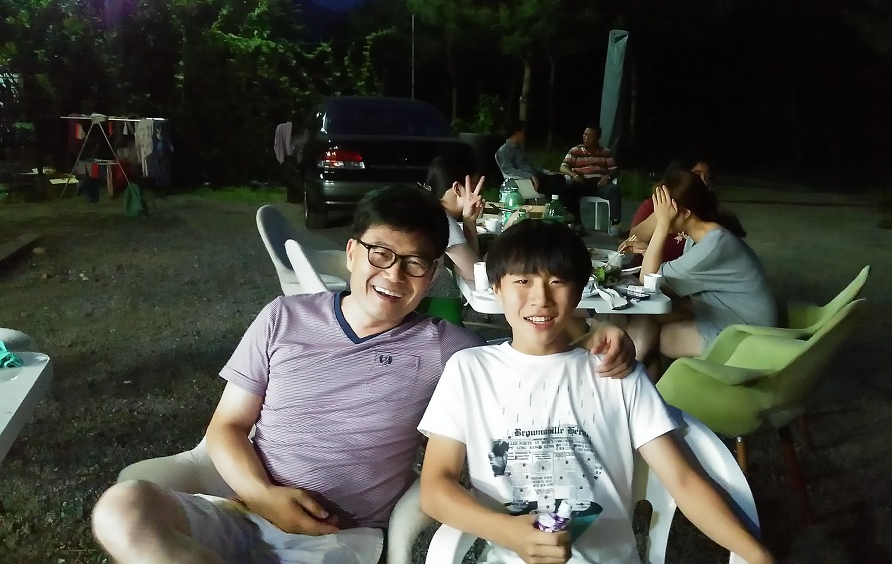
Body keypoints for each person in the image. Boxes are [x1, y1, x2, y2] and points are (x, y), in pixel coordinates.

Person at [90, 185, 638, 564]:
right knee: (123, 506)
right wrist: (263, 496)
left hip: (337, 539)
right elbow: (226, 427)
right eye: (380, 253)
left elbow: (531, 340)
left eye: (415, 262)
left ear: (432, 276)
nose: (394, 275)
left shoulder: (445, 347)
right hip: (242, 509)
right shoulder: (283, 317)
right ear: (352, 253)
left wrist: (597, 332)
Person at [417, 219, 774, 564]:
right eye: (523, 281)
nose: (540, 298)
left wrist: (757, 554)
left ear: (579, 292)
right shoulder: (469, 371)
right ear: (496, 288)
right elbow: (435, 489)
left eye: (557, 282)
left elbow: (683, 480)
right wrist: (507, 532)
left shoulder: (617, 373)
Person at [624, 170, 775, 380]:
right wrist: (650, 245)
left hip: (746, 334)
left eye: (664, 208)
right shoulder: (701, 237)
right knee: (649, 314)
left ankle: (623, 371)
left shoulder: (713, 246)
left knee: (660, 335)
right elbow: (661, 286)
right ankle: (630, 376)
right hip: (728, 315)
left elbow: (647, 282)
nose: (658, 213)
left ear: (686, 212)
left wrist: (662, 226)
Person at [619, 159, 744, 267]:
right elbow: (634, 238)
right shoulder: (655, 205)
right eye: (696, 175)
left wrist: (663, 224)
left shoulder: (711, 226)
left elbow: (655, 276)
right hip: (644, 273)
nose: (704, 182)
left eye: (708, 177)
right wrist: (660, 216)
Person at [422, 151, 486, 289]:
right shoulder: (442, 220)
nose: (480, 193)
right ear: (457, 188)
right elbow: (474, 273)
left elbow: (465, 265)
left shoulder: (428, 208)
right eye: (475, 185)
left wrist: (469, 220)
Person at [559, 125, 622, 234]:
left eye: (590, 136)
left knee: (614, 190)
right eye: (585, 135)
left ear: (597, 138)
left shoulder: (605, 153)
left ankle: (615, 224)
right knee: (568, 188)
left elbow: (615, 170)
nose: (586, 138)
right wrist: (575, 175)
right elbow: (563, 167)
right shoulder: (575, 151)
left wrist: (608, 177)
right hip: (581, 183)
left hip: (599, 185)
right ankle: (576, 222)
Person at [494, 120, 570, 207]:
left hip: (535, 178)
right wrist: (530, 176)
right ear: (516, 133)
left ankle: (562, 208)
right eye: (523, 132)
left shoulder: (519, 149)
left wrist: (548, 172)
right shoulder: (504, 151)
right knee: (556, 182)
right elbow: (509, 171)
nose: (525, 135)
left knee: (559, 178)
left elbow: (531, 166)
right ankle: (561, 208)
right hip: (525, 182)